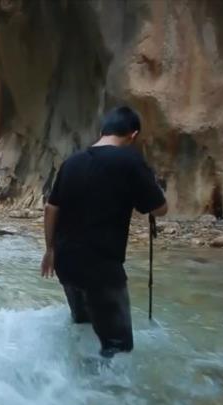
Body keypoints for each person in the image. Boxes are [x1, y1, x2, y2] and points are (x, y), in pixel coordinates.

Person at [40, 106, 168, 358]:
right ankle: (108, 393)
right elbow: (159, 209)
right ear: (133, 135)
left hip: (66, 264)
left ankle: (74, 384)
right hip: (103, 270)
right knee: (119, 350)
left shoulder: (72, 162)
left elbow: (50, 209)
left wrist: (50, 250)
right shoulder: (130, 160)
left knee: (83, 330)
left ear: (101, 131)